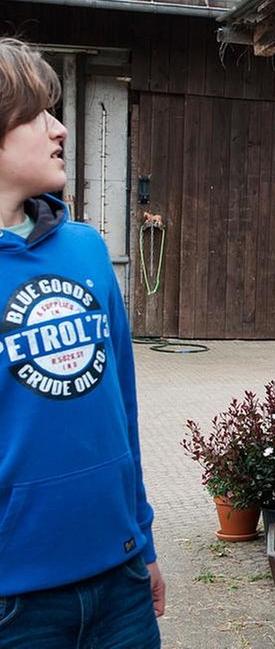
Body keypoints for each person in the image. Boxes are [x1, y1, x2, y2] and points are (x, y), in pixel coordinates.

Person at [0, 37, 165, 647]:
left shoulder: (87, 250)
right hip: (13, 603)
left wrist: (143, 542)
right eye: (37, 115)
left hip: (118, 580)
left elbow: (121, 409)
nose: (60, 129)